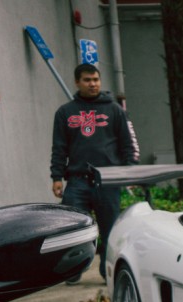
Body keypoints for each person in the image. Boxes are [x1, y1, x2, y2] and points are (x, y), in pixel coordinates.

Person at [50, 64, 137, 280]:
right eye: (88, 80)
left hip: (108, 180)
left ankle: (106, 271)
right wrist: (56, 176)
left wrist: (130, 172)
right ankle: (74, 269)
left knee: (110, 231)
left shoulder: (115, 110)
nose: (93, 84)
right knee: (72, 229)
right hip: (77, 181)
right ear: (77, 82)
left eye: (96, 79)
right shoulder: (65, 112)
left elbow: (128, 143)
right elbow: (59, 147)